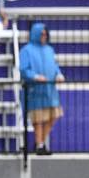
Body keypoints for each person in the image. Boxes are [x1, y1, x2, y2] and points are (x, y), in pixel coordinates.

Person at [19, 22, 64, 155]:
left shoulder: (49, 49)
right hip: (35, 90)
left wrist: (59, 74)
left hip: (50, 90)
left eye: (45, 34)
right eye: (42, 34)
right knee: (38, 120)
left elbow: (54, 66)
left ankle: (41, 142)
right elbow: (23, 69)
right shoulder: (26, 50)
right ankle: (40, 145)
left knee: (52, 117)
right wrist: (35, 76)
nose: (44, 36)